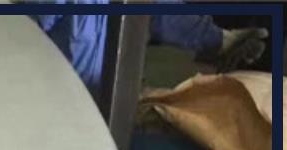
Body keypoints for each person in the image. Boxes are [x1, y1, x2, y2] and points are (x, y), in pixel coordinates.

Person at [30, 4, 268, 98]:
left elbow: (167, 14)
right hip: (58, 100)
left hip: (115, 104)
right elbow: (26, 34)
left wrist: (222, 41)